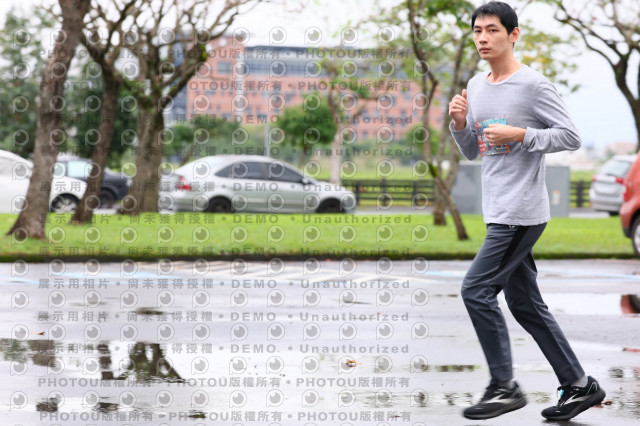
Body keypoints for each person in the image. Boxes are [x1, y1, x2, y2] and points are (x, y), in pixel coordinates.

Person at [448, 1, 606, 421]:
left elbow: (570, 136)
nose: (483, 38)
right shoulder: (476, 86)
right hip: (497, 207)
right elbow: (474, 151)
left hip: (521, 210)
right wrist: (459, 124)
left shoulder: (534, 85)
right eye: (477, 31)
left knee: (476, 290)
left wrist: (522, 134)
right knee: (524, 304)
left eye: (492, 30)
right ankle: (580, 385)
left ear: (513, 34)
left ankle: (504, 387)